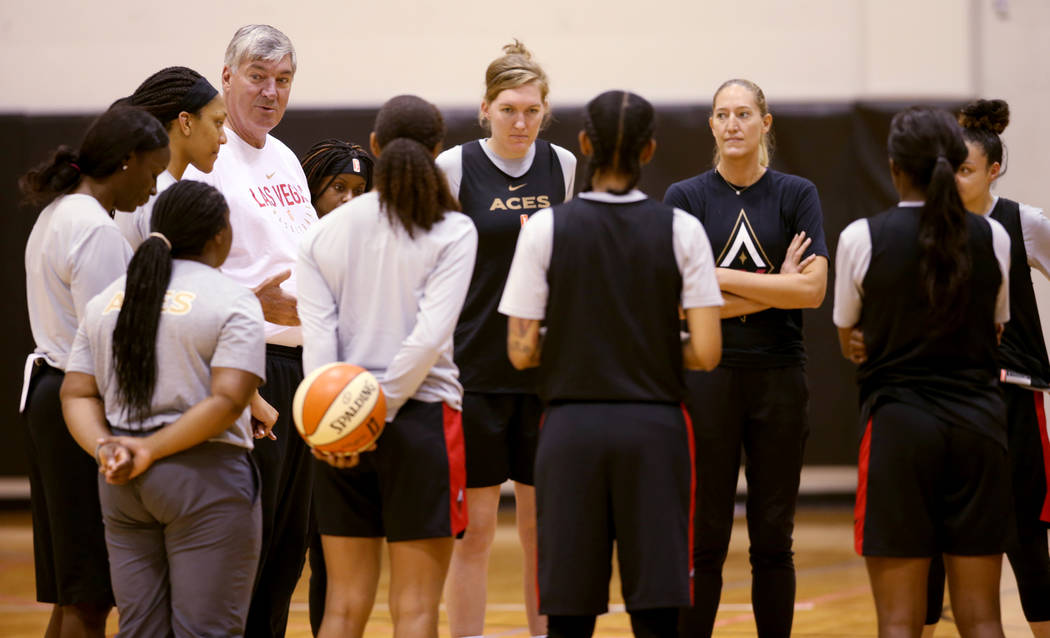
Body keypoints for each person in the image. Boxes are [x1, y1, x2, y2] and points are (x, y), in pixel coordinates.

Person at [499, 89, 723, 638]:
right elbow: (708, 351)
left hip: (571, 432)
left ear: (584, 145)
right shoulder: (682, 230)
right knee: (656, 609)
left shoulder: (546, 229)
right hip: (656, 430)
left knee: (569, 613)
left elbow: (520, 350)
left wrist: (582, 344)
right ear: (649, 150)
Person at [297, 94, 477, 638]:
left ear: (375, 147)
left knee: (343, 607)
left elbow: (319, 341)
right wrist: (379, 405)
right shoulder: (453, 231)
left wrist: (338, 421)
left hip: (336, 428)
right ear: (438, 151)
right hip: (421, 422)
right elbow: (428, 340)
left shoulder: (320, 233)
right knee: (417, 609)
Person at [834, 106, 1012, 638]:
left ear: (893, 167)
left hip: (899, 432)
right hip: (981, 430)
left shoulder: (860, 238)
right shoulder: (992, 237)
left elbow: (851, 340)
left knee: (899, 623)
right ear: (955, 162)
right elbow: (995, 332)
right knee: (983, 618)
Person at [60, 180, 266, 638]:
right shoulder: (232, 299)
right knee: (205, 631)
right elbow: (229, 399)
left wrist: (107, 449)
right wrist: (151, 449)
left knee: (140, 630)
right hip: (203, 476)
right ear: (219, 235)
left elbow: (75, 393)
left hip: (121, 478)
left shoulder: (108, 300)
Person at [664, 78, 828, 637]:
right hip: (707, 379)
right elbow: (680, 306)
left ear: (765, 122)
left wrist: (715, 281)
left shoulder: (797, 193)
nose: (732, 124)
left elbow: (810, 293)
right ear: (710, 124)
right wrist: (770, 284)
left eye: (743, 113)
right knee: (703, 538)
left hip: (780, 378)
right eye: (722, 114)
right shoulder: (685, 198)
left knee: (773, 539)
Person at [181, 24, 319, 638]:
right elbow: (174, 280)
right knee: (245, 551)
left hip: (303, 369)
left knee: (289, 553)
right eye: (257, 78)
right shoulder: (205, 160)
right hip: (245, 366)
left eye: (282, 81)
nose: (270, 93)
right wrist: (249, 301)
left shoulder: (286, 155)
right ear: (228, 77)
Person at [436, 40, 576, 638]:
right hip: (475, 370)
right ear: (486, 108)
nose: (521, 121)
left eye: (532, 110)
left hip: (544, 374)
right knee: (477, 530)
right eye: (509, 109)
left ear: (545, 111)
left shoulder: (563, 165)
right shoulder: (453, 167)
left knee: (542, 531)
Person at [19, 105, 169, 638]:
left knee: (72, 589)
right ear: (127, 161)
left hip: (47, 396)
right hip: (80, 403)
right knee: (90, 592)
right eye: (153, 172)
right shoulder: (96, 231)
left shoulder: (56, 214)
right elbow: (111, 343)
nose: (153, 190)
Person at [920, 99, 1050, 638]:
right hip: (941, 398)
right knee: (927, 537)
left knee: (1026, 537)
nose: (952, 177)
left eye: (965, 168)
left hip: (1013, 396)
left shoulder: (1025, 223)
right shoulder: (923, 226)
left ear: (993, 170)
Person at [298, 137, 374, 635]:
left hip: (345, 406)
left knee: (334, 553)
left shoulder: (375, 251)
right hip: (294, 397)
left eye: (360, 190)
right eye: (337, 188)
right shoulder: (299, 243)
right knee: (284, 550)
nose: (348, 200)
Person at [114, 66, 228, 248]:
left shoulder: (144, 186)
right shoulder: (162, 195)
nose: (223, 138)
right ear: (186, 122)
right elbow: (175, 276)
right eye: (218, 123)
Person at [300, 139, 374, 218]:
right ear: (315, 185)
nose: (349, 198)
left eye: (358, 191)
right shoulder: (290, 226)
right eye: (339, 187)